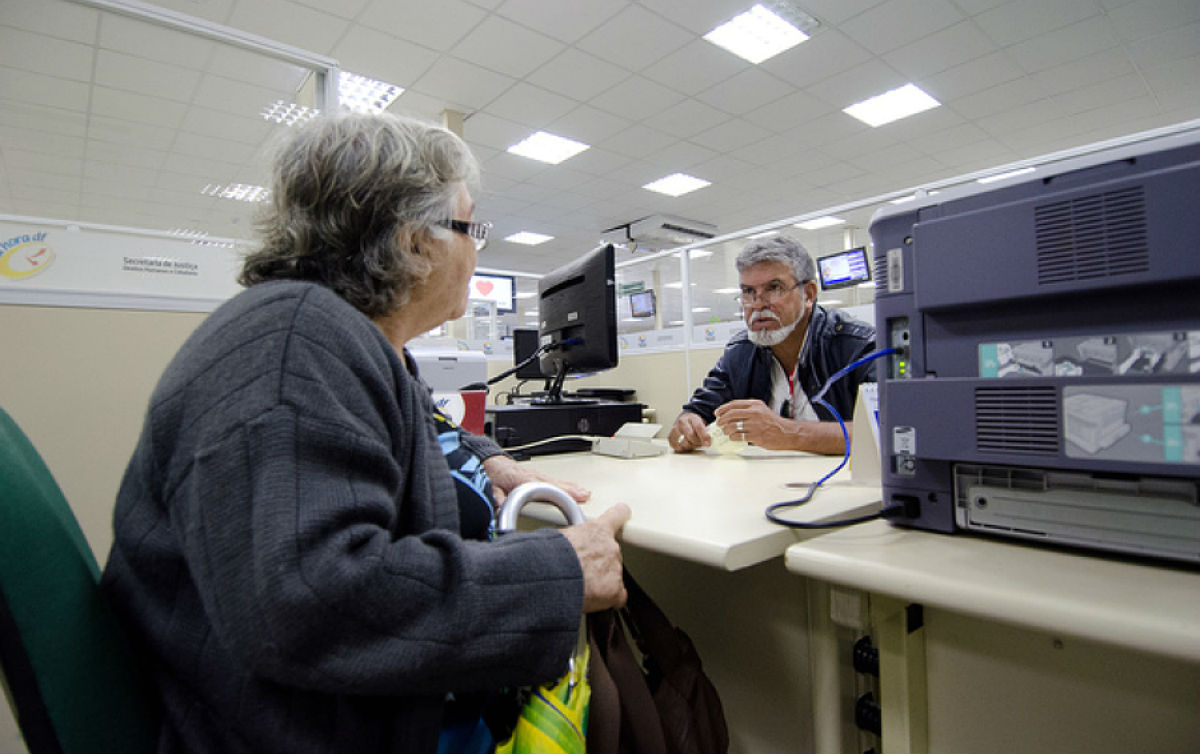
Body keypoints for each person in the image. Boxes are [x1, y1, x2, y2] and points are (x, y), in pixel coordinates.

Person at [101, 111, 631, 754]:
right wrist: (558, 573)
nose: (476, 251)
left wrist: (486, 460)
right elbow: (312, 600)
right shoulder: (291, 347)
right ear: (413, 242)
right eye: (471, 228)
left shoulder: (347, 340)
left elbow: (426, 424)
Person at [669, 236, 876, 455]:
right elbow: (696, 411)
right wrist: (688, 424)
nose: (758, 304)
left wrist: (788, 433)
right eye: (748, 291)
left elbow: (888, 430)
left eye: (774, 288)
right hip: (765, 476)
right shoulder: (741, 351)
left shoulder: (858, 347)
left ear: (809, 294)